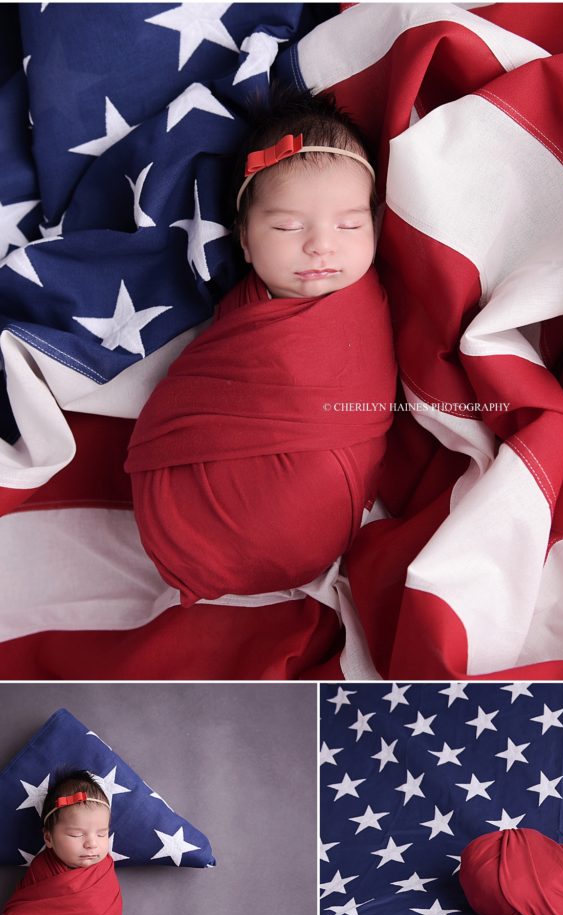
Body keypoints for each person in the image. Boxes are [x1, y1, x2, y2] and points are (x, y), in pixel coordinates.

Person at [125, 88, 397, 606]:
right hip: (183, 513)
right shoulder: (238, 311)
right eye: (287, 226)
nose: (321, 245)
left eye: (350, 225)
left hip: (316, 518)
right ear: (245, 241)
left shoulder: (368, 308)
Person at [0, 771, 123, 915]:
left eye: (102, 834)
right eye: (76, 834)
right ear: (48, 839)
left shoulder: (104, 872)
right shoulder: (42, 871)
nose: (92, 843)